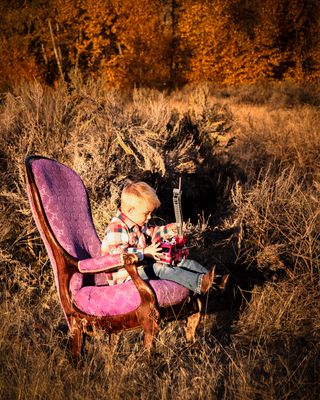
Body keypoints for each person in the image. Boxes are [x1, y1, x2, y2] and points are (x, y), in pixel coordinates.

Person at [101, 180, 222, 294]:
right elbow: (118, 254)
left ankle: (216, 281)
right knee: (159, 268)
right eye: (146, 213)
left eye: (151, 213)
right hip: (126, 278)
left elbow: (154, 232)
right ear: (130, 210)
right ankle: (200, 283)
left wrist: (170, 230)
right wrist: (144, 252)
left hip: (141, 270)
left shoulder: (137, 224)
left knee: (183, 263)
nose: (149, 217)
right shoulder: (116, 228)